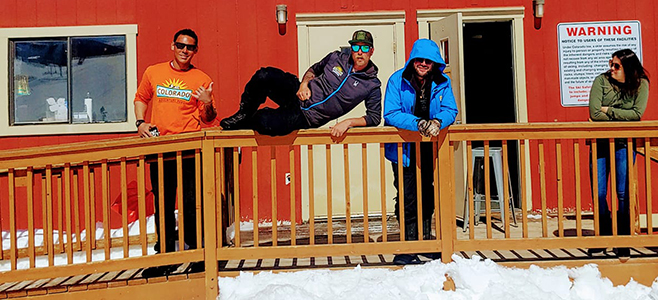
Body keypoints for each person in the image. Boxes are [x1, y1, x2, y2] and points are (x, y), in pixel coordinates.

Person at [134, 28, 216, 277]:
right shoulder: (154, 72)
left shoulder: (202, 78)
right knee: (163, 202)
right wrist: (140, 123)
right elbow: (141, 98)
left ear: (196, 51)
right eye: (181, 45)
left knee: (192, 203)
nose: (185, 51)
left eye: (190, 47)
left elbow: (209, 119)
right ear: (173, 46)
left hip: (190, 149)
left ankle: (195, 254)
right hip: (160, 148)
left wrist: (208, 101)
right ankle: (165, 255)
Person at [219, 30, 382, 137]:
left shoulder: (372, 85)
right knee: (264, 75)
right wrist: (304, 83)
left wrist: (348, 122)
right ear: (351, 48)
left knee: (266, 123)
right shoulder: (335, 57)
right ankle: (243, 113)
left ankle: (248, 121)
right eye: (355, 47)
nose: (360, 52)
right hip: (297, 92)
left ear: (372, 51)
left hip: (306, 117)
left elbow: (374, 118)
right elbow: (313, 70)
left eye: (365, 48)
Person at [383, 39, 458, 265]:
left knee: (427, 193)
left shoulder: (443, 82)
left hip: (429, 148)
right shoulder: (397, 80)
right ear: (412, 60)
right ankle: (409, 245)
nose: (423, 64)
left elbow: (450, 110)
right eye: (419, 59)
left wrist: (437, 120)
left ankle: (426, 241)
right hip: (403, 150)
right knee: (407, 196)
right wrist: (419, 124)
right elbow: (391, 113)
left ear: (435, 63)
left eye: (428, 60)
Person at [587, 48, 649, 258]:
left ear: (628, 69)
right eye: (611, 64)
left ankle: (622, 240)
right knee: (599, 192)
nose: (611, 69)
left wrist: (609, 110)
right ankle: (605, 237)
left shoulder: (641, 84)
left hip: (624, 144)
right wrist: (621, 117)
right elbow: (594, 113)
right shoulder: (601, 81)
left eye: (616, 66)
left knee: (623, 194)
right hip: (599, 143)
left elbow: (637, 114)